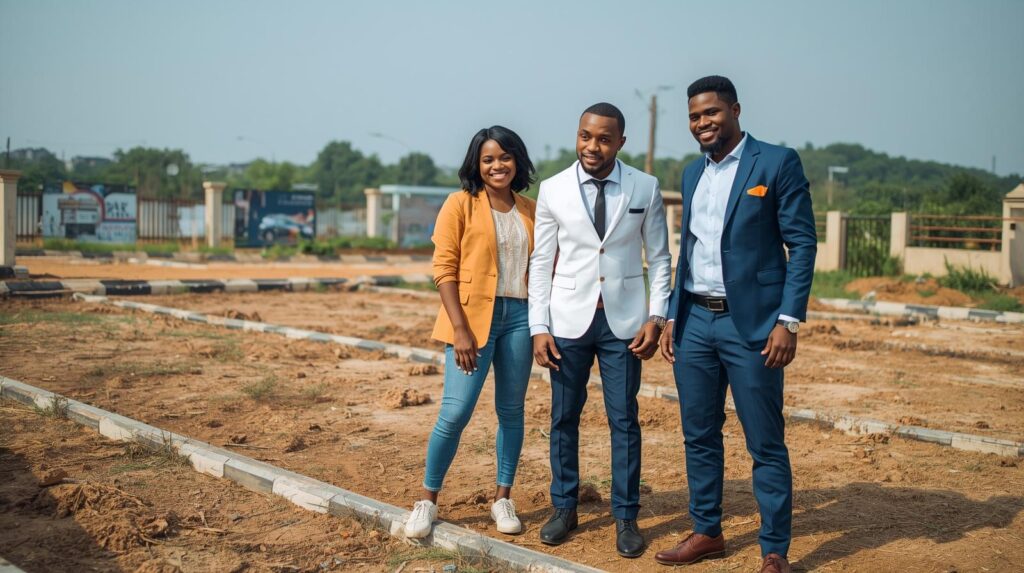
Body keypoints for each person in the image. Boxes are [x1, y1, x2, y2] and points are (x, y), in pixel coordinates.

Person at [654, 76, 817, 573]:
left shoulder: (775, 162)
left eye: (711, 113)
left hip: (754, 327)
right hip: (695, 323)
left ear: (735, 110)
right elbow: (692, 249)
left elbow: (802, 243)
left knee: (764, 439)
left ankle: (774, 550)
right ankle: (707, 532)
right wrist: (671, 316)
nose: (702, 123)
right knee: (699, 433)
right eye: (694, 116)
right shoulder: (690, 173)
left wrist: (787, 320)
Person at [529, 103, 672, 558]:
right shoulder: (552, 189)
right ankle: (564, 507)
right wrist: (539, 325)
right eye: (586, 136)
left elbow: (661, 259)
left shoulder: (645, 187)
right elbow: (541, 262)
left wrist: (657, 316)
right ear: (578, 135)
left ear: (620, 142)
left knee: (624, 419)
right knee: (563, 417)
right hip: (567, 320)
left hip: (625, 322)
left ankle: (626, 515)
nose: (593, 146)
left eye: (604, 139)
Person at [404, 126, 537, 539]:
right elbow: (443, 268)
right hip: (471, 321)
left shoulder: (531, 208)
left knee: (511, 412)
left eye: (505, 157)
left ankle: (502, 497)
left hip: (521, 317)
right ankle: (427, 501)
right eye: (488, 159)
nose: (498, 166)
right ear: (476, 166)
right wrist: (460, 329)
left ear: (518, 160)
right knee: (455, 412)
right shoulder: (460, 203)